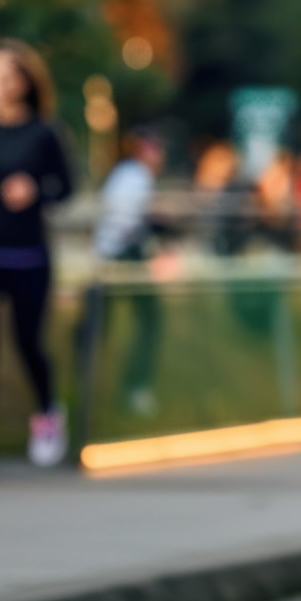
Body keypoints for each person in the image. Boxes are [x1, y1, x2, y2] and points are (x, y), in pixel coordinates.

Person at [0, 38, 73, 472]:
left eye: (10, 74)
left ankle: (48, 416)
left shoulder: (44, 132)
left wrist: (35, 190)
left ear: (26, 81)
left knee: (27, 343)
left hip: (27, 255)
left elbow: (67, 187)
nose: (1, 84)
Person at [93, 127, 166, 416]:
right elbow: (125, 222)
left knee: (101, 326)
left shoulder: (126, 174)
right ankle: (133, 387)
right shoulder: (137, 177)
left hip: (111, 255)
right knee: (149, 322)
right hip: (121, 256)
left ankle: (98, 387)